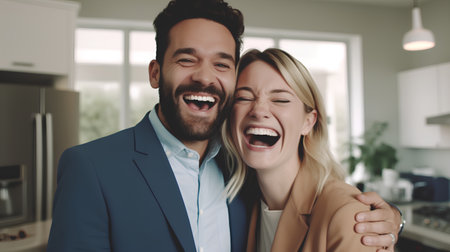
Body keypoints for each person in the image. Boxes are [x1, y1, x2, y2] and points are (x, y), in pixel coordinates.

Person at [47, 0, 402, 251]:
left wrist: (392, 219)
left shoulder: (244, 170)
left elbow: (325, 208)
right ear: (156, 72)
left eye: (221, 64)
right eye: (187, 60)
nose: (204, 77)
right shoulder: (91, 168)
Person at [221, 48, 399, 252]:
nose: (259, 110)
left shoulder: (349, 214)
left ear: (308, 122)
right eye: (243, 98)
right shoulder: (244, 203)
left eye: (280, 100)